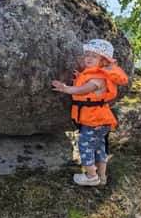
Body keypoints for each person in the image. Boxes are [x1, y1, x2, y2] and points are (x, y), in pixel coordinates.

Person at [52, 39, 128, 186]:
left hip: (94, 122)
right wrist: (79, 77)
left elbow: (83, 90)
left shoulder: (98, 79)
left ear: (104, 61)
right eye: (87, 54)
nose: (88, 58)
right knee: (100, 148)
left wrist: (65, 88)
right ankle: (102, 176)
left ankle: (91, 177)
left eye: (94, 56)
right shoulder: (93, 75)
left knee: (84, 146)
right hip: (100, 121)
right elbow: (84, 84)